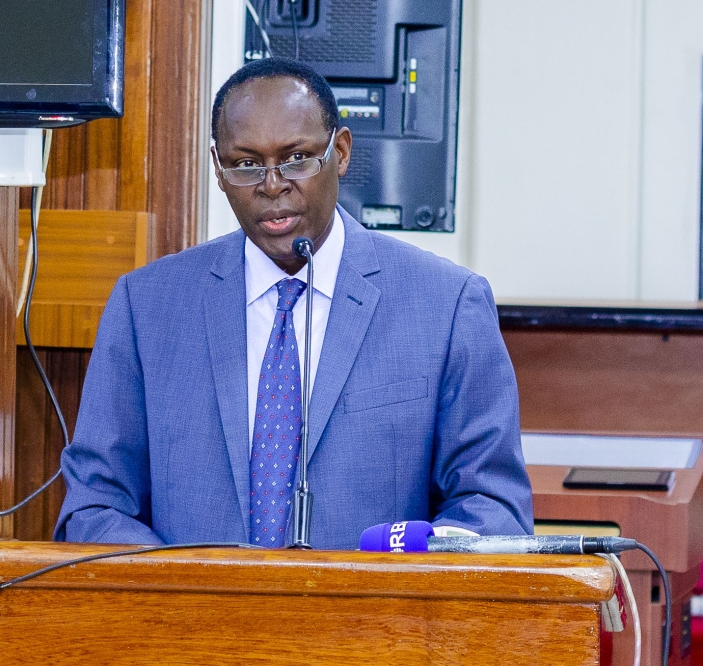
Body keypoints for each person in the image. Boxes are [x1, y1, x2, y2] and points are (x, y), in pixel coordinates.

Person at [55, 58, 533, 549]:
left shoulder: (446, 304)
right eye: (246, 164)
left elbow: (492, 508)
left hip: (377, 622)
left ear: (341, 152)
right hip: (194, 622)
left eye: (298, 158)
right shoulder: (147, 307)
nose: (272, 184)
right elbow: (96, 506)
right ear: (218, 170)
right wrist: (185, 596)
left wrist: (402, 583)